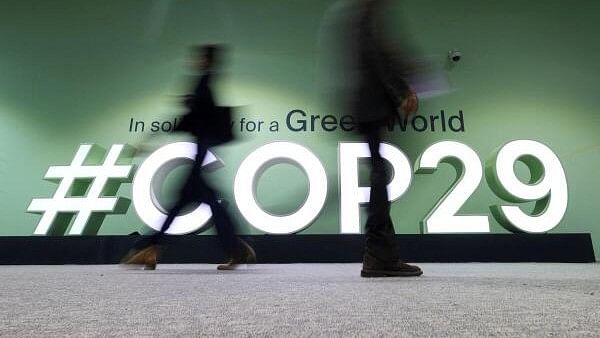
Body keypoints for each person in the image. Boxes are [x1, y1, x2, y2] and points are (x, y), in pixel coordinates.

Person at [121, 45, 256, 271]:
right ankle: (236, 248)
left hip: (200, 150)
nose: (195, 61)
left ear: (207, 60)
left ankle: (148, 247)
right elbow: (196, 116)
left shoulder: (204, 83)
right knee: (198, 203)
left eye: (200, 57)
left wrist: (153, 136)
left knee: (184, 203)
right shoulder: (207, 82)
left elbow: (193, 117)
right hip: (200, 150)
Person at [345, 0, 423, 277]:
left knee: (378, 172)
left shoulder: (362, 11)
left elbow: (381, 54)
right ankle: (379, 255)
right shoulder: (368, 12)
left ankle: (380, 254)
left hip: (367, 105)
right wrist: (403, 89)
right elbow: (378, 56)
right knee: (379, 175)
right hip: (371, 105)